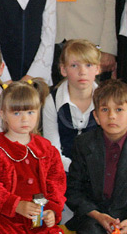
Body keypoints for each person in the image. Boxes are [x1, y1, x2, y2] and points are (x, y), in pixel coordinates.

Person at [66, 80, 127, 234]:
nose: (112, 116)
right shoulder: (83, 144)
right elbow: (74, 190)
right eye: (105, 110)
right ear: (96, 117)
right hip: (94, 217)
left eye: (119, 109)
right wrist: (97, 215)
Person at [0, 78, 66, 233]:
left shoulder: (47, 150)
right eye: (16, 113)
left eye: (30, 112)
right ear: (3, 114)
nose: (25, 119)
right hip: (5, 223)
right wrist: (16, 205)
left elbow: (56, 184)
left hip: (40, 221)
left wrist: (52, 210)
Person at [42, 39, 101, 172]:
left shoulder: (105, 100)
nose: (82, 71)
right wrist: (75, 169)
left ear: (97, 68)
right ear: (63, 70)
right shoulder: (52, 102)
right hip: (62, 171)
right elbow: (53, 151)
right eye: (74, 65)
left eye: (88, 65)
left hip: (98, 171)